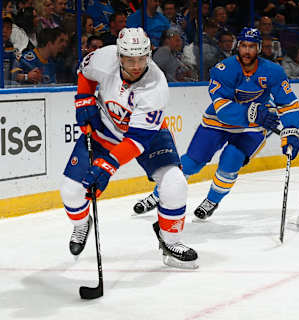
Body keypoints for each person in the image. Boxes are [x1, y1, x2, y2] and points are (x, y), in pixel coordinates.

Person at [59, 27, 198, 269]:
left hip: (147, 136)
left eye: (141, 59)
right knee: (70, 191)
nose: (135, 66)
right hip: (104, 129)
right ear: (119, 56)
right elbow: (85, 72)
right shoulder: (104, 57)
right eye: (129, 59)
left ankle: (170, 241)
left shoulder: (156, 87)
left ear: (149, 55)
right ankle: (82, 225)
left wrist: (106, 166)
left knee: (175, 182)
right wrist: (84, 99)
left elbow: (136, 141)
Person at [133, 27, 299, 220]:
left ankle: (212, 200)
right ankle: (158, 194)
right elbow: (223, 110)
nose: (247, 51)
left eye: (252, 47)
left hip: (251, 128)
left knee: (231, 160)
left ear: (259, 48)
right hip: (217, 123)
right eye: (244, 46)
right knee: (191, 162)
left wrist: (291, 130)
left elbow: (288, 103)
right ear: (238, 46)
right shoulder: (224, 69)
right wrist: (253, 112)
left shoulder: (274, 71)